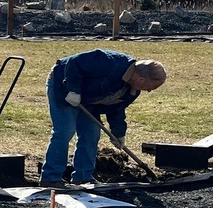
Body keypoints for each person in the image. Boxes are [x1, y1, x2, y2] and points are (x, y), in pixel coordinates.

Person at [41, 49, 167, 187]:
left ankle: (83, 177)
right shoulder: (109, 62)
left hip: (89, 98)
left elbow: (116, 109)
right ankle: (51, 178)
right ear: (141, 79)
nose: (148, 91)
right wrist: (74, 90)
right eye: (150, 87)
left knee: (91, 133)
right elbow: (74, 63)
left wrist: (118, 134)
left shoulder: (132, 90)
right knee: (65, 131)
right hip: (63, 85)